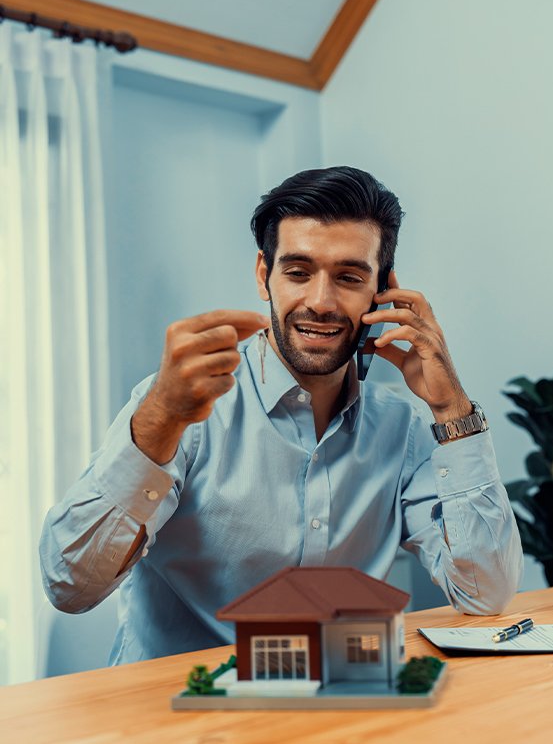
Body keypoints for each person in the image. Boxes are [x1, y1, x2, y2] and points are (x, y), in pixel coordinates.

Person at [40, 166, 523, 665]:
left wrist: (451, 409)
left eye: (350, 277)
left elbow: (484, 595)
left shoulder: (402, 428)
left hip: (337, 707)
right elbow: (69, 586)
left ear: (383, 292)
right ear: (262, 275)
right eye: (297, 272)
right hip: (182, 715)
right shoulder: (182, 408)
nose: (320, 301)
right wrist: (159, 421)